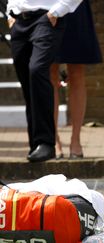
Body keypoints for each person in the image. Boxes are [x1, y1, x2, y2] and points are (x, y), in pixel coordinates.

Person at [6, 0, 83, 162]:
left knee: (37, 70)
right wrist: (10, 10)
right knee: (27, 78)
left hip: (46, 18)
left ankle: (46, 143)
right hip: (18, 19)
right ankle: (36, 144)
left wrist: (58, 10)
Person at [50, 0, 102, 159]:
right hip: (45, 7)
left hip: (75, 8)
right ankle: (53, 140)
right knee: (49, 73)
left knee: (77, 72)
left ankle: (76, 139)